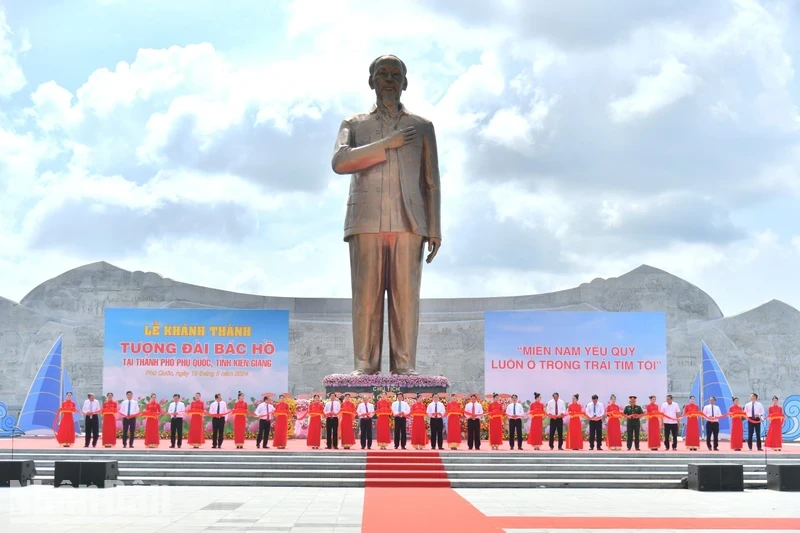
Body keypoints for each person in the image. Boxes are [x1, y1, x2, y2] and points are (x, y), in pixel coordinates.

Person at [332, 54, 442, 377]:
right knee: (365, 297)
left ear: (405, 83)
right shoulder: (354, 125)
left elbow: (431, 181)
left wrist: (434, 227)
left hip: (410, 223)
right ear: (372, 82)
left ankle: (405, 366)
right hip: (366, 221)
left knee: (405, 299)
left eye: (396, 74)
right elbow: (340, 162)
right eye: (383, 74)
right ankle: (364, 366)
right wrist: (387, 145)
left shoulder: (422, 127)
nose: (390, 79)